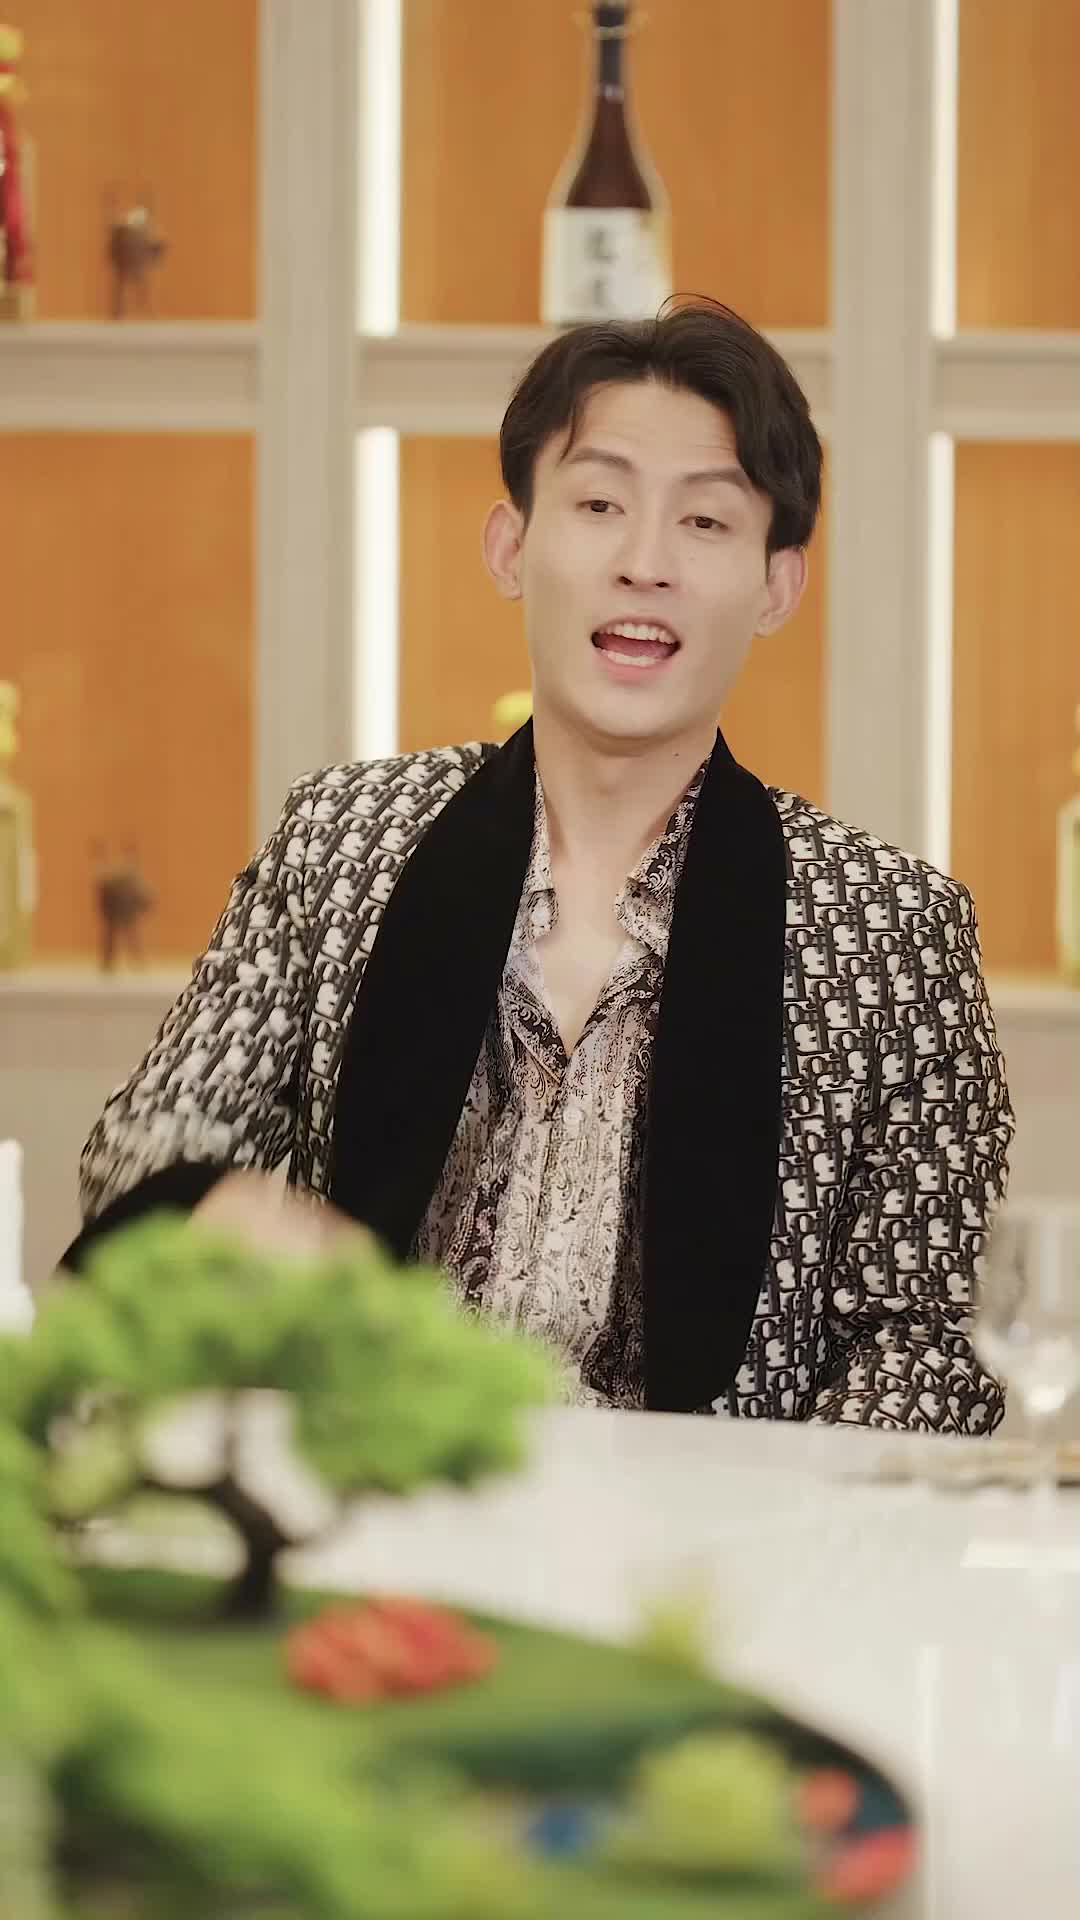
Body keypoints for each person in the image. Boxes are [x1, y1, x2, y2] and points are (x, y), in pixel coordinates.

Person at [64, 300, 1012, 1430]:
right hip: (377, 1494)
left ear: (777, 587)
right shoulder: (343, 839)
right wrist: (240, 1225)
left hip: (720, 1534)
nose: (645, 564)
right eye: (600, 504)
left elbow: (927, 1340)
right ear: (510, 547)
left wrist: (762, 1522)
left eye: (706, 521)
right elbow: (143, 1163)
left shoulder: (892, 928)